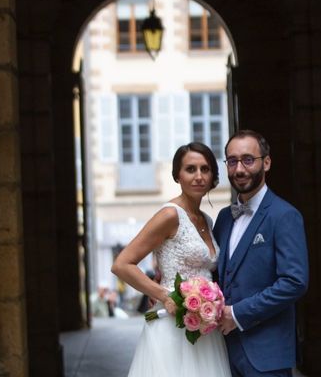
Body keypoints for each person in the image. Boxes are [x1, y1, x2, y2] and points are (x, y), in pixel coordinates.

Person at [112, 142, 232, 377]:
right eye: (190, 169)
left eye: (205, 169)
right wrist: (164, 295)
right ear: (178, 175)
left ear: (213, 176)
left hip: (205, 331)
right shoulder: (169, 215)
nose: (198, 176)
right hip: (171, 328)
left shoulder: (207, 220)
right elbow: (122, 264)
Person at [213, 130, 309, 377]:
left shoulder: (284, 215)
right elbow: (215, 274)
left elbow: (294, 282)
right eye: (232, 161)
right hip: (222, 351)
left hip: (267, 355)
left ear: (266, 162)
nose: (239, 169)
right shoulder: (224, 218)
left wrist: (236, 314)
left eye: (248, 159)